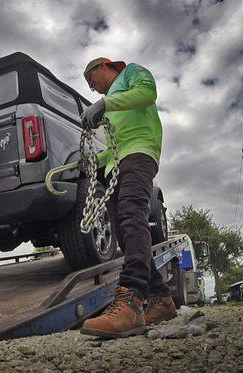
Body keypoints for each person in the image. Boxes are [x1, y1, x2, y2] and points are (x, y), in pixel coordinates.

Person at [79, 57, 176, 338]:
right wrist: (92, 160)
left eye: (90, 78)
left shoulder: (132, 73)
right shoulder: (110, 101)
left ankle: (131, 299)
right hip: (119, 162)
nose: (91, 86)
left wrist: (105, 104)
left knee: (132, 214)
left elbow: (148, 94)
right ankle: (161, 299)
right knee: (123, 229)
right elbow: (114, 146)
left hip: (141, 152)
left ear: (103, 67)